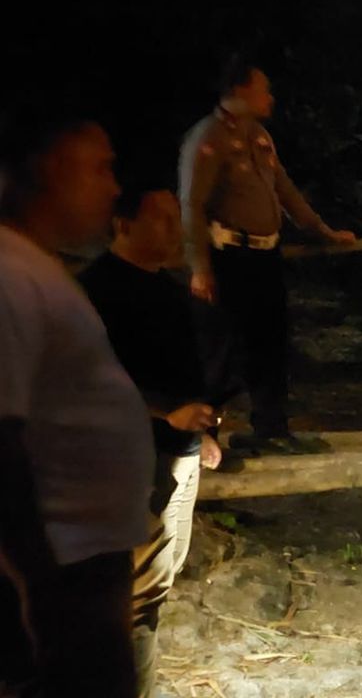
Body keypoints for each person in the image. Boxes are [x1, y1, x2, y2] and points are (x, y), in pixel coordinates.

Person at [0, 120, 153, 697]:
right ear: (49, 169)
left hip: (80, 565)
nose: (115, 187)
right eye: (101, 167)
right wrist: (37, 588)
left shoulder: (35, 267)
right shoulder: (10, 274)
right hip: (59, 573)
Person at [79, 185, 225, 698]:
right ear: (124, 224)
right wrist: (167, 412)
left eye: (175, 219)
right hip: (133, 458)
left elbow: (182, 368)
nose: (173, 231)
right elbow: (92, 380)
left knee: (159, 581)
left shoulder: (164, 287)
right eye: (160, 218)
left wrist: (201, 431)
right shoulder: (98, 290)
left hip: (179, 452)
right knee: (136, 596)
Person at [178, 57, 355, 454]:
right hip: (227, 257)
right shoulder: (207, 139)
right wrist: (200, 268)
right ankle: (204, 439)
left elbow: (286, 191)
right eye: (264, 89)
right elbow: (192, 204)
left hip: (265, 255)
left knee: (270, 343)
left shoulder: (258, 136)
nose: (270, 97)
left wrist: (323, 232)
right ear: (241, 90)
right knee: (221, 351)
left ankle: (271, 428)